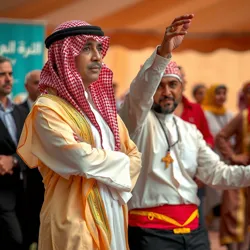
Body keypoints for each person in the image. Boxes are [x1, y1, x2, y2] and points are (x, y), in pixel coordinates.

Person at [119, 14, 250, 250]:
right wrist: (163, 54)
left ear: (181, 88)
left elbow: (217, 174)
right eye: (159, 86)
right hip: (150, 232)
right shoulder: (134, 121)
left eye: (172, 85)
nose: (166, 92)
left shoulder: (189, 130)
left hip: (194, 230)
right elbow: (139, 94)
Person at [17, 20, 141, 250]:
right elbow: (80, 160)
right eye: (86, 48)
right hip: (75, 221)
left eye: (98, 48)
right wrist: (117, 160)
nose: (97, 56)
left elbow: (135, 155)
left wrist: (96, 155)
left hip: (113, 213)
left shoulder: (102, 108)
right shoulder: (47, 109)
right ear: (64, 57)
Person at [174, 66, 214, 231]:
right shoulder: (157, 110)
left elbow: (208, 138)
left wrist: (202, 167)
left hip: (194, 177)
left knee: (197, 222)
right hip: (165, 177)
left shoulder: (195, 109)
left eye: (179, 79)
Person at [216, 81, 250, 250]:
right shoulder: (242, 117)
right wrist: (234, 156)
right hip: (240, 174)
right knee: (233, 215)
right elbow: (221, 137)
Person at [0, 56, 28, 250]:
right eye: (2, 74)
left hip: (22, 193)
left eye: (10, 74)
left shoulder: (21, 112)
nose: (8, 79)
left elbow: (33, 149)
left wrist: (15, 160)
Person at [202, 84, 234, 230]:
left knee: (226, 194)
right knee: (213, 193)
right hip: (211, 159)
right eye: (218, 93)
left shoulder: (229, 115)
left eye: (224, 93)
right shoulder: (205, 113)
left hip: (228, 160)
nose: (221, 96)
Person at [19, 70, 44, 250]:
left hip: (46, 179)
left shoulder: (52, 110)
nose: (40, 86)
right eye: (36, 83)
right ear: (27, 87)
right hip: (24, 180)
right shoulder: (18, 111)